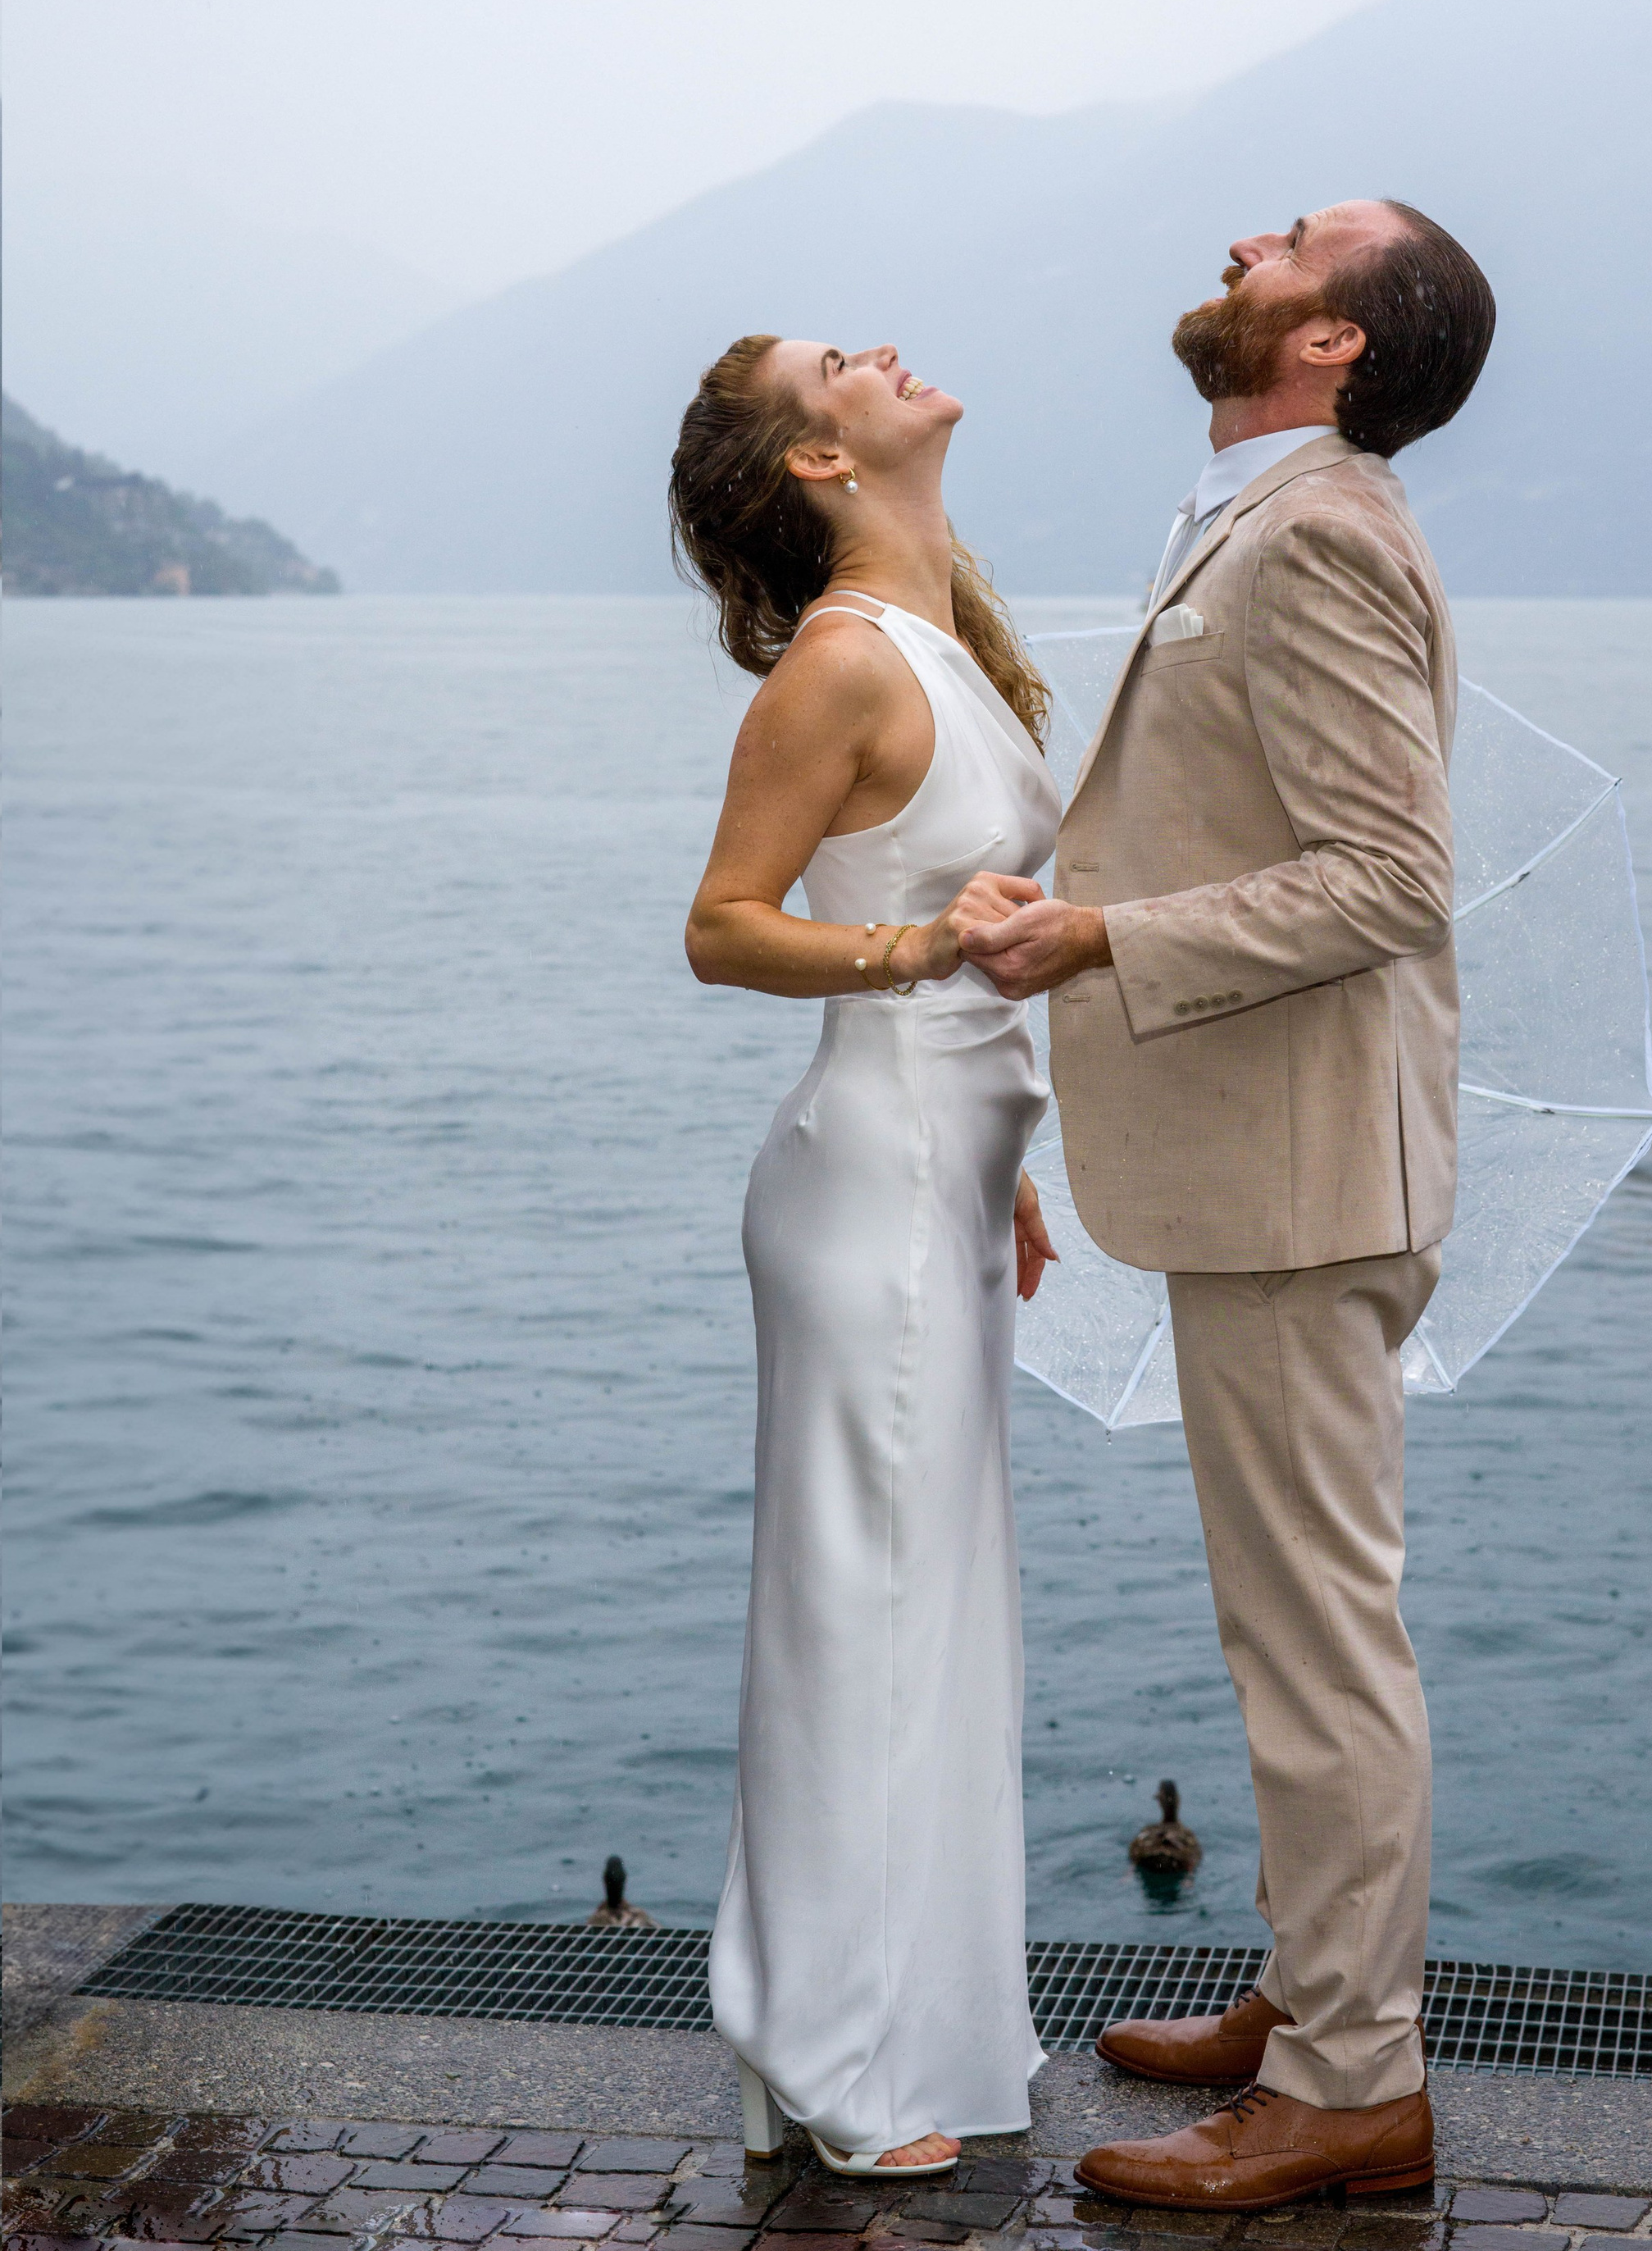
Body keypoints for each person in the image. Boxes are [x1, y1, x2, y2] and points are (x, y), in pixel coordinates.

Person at [961, 202, 1495, 2212]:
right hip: (1270, 1161)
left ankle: (1353, 2079)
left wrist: (1097, 931)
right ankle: (1307, 1990)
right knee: (1289, 1620)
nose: (1243, 239)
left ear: (1335, 340)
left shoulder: (1329, 530)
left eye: (1293, 240)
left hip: (1297, 1173)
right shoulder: (1258, 513)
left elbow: (1387, 878)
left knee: (1317, 1638)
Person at [671, 333, 1059, 2176]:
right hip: (869, 1180)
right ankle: (828, 2051)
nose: (886, 352)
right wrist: (918, 961)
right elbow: (723, 929)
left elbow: (988, 935)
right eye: (841, 360)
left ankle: (894, 2013)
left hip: (952, 1176)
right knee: (861, 1614)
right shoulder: (837, 664)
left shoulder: (947, 646)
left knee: (929, 1612)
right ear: (820, 457)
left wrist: (1027, 1163)